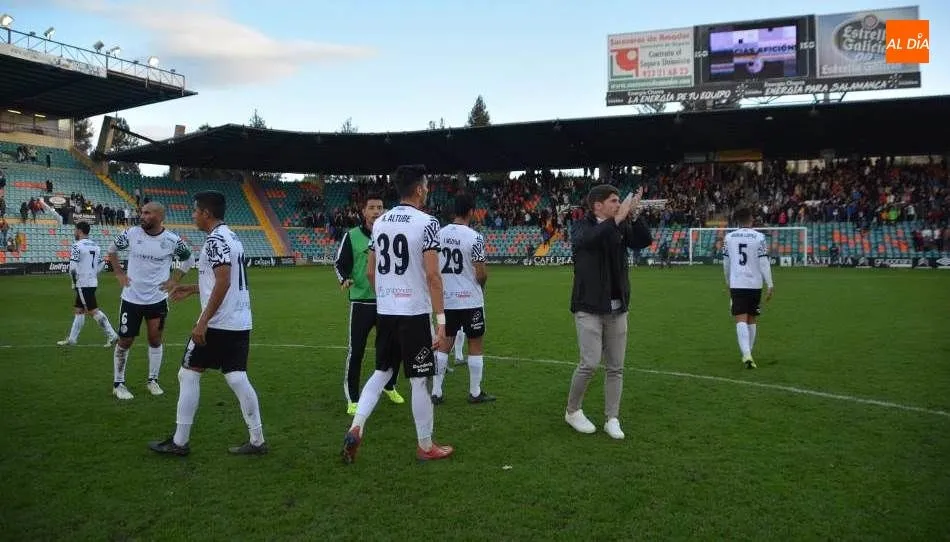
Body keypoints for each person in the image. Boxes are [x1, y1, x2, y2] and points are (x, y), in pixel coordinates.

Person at [341, 164, 454, 464]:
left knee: (382, 371)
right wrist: (442, 322)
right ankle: (425, 445)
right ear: (418, 189)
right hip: (414, 314)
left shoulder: (380, 223)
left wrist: (388, 299)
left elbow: (369, 270)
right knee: (419, 380)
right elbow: (433, 277)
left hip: (387, 311)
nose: (428, 189)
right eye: (426, 185)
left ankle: (357, 426)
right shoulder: (428, 223)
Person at [149, 191, 265, 456]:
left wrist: (203, 321)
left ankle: (179, 442)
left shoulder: (214, 241)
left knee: (187, 374)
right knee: (236, 377)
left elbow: (223, 282)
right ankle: (257, 440)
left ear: (206, 213)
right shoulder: (232, 237)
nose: (193, 215)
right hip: (240, 320)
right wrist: (190, 288)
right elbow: (219, 280)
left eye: (195, 211)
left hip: (219, 323)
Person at [565, 185, 652, 440]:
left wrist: (633, 215)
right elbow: (590, 240)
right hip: (589, 307)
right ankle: (572, 411)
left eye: (618, 201)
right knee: (589, 363)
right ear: (597, 205)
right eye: (613, 201)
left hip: (617, 308)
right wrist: (617, 219)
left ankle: (612, 418)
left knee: (616, 367)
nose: (618, 204)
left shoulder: (620, 224)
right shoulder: (581, 227)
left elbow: (643, 240)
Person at [106, 202, 193, 400]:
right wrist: (119, 272)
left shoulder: (172, 240)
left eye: (147, 213)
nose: (142, 216)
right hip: (131, 299)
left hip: (157, 300)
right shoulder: (131, 234)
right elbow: (111, 250)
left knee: (155, 340)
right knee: (125, 340)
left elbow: (189, 259)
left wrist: (174, 280)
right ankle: (118, 383)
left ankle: (152, 380)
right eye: (141, 212)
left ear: (159, 217)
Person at [334, 193, 404, 415]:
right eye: (372, 207)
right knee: (357, 351)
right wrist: (344, 278)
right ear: (363, 211)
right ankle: (353, 398)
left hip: (388, 301)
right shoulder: (352, 236)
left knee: (392, 349)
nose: (376, 211)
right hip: (362, 302)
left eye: (380, 207)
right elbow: (340, 263)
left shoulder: (390, 235)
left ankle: (389, 385)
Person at [431, 192, 494, 404]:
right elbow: (481, 272)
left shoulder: (438, 234)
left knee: (443, 345)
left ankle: (437, 392)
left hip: (447, 300)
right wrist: (482, 286)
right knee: (475, 344)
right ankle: (475, 392)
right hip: (470, 301)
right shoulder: (475, 237)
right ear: (471, 212)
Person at [722, 207, 774, 369]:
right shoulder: (759, 237)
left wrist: (727, 280)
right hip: (755, 283)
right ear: (751, 220)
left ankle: (746, 354)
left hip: (737, 282)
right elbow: (763, 261)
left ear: (738, 221)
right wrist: (770, 283)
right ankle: (748, 352)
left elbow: (726, 262)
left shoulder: (729, 238)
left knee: (740, 317)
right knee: (751, 318)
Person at [56, 221, 119, 347]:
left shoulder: (76, 246)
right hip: (91, 281)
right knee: (79, 310)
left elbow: (73, 267)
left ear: (79, 231)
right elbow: (102, 264)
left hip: (82, 283)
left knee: (93, 311)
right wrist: (93, 273)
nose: (74, 232)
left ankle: (113, 336)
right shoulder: (96, 245)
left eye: (75, 230)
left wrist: (74, 282)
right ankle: (72, 339)